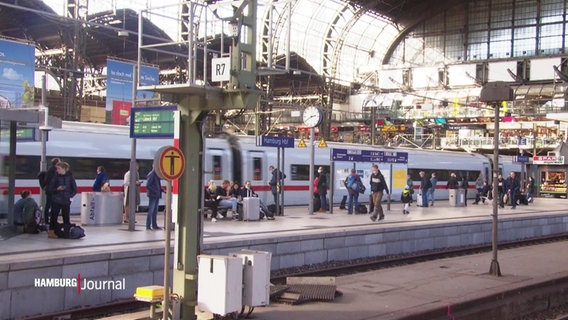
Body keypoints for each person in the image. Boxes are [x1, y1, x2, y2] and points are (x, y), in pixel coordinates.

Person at [47, 162, 77, 239]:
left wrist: (70, 196)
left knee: (66, 217)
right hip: (56, 200)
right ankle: (51, 232)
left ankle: (66, 231)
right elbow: (50, 189)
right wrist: (57, 189)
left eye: (58, 168)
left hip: (66, 200)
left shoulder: (70, 176)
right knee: (54, 216)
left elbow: (74, 189)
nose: (57, 170)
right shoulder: (55, 177)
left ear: (64, 169)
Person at [43, 157, 60, 225]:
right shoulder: (53, 170)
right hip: (52, 190)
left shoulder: (50, 169)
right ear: (57, 163)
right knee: (51, 205)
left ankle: (48, 220)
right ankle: (50, 220)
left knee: (49, 205)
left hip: (50, 190)